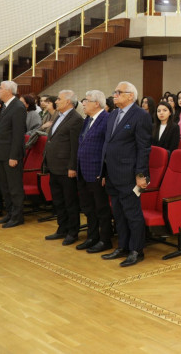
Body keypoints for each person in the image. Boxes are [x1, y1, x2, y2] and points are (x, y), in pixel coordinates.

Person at [101, 81, 152, 267]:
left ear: (131, 95)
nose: (114, 95)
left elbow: (143, 148)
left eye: (118, 92)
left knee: (132, 213)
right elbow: (108, 145)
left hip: (129, 174)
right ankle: (122, 246)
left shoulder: (141, 116)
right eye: (114, 92)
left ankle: (136, 250)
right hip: (113, 173)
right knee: (119, 213)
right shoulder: (113, 114)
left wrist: (141, 174)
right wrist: (104, 171)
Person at [42, 90, 84, 246]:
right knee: (58, 201)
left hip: (66, 168)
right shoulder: (58, 116)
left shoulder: (75, 119)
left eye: (59, 99)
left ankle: (73, 232)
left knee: (70, 202)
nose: (56, 101)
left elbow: (75, 146)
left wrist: (72, 166)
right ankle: (62, 228)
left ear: (68, 102)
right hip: (54, 166)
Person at [76, 90, 113, 254]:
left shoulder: (106, 120)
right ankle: (92, 237)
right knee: (88, 207)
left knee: (101, 208)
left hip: (97, 172)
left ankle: (105, 239)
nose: (83, 103)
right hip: (84, 170)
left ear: (96, 103)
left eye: (87, 100)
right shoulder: (88, 119)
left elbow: (108, 149)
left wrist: (104, 172)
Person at [0, 81, 27, 228]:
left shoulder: (18, 107)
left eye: (0, 88)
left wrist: (14, 156)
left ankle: (18, 216)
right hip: (1, 154)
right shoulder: (6, 106)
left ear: (8, 91)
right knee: (5, 187)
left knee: (14, 187)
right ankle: (10, 213)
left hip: (11, 156)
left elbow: (18, 135)